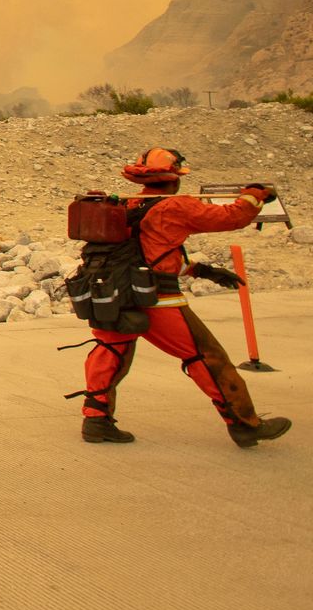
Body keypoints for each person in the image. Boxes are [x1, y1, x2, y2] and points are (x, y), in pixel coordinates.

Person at [71, 148, 290, 447]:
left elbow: (145, 251)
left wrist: (200, 270)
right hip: (156, 298)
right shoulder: (176, 207)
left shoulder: (128, 204)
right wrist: (254, 195)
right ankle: (244, 424)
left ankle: (96, 420)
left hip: (115, 294)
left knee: (110, 352)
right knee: (206, 355)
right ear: (175, 178)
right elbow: (234, 216)